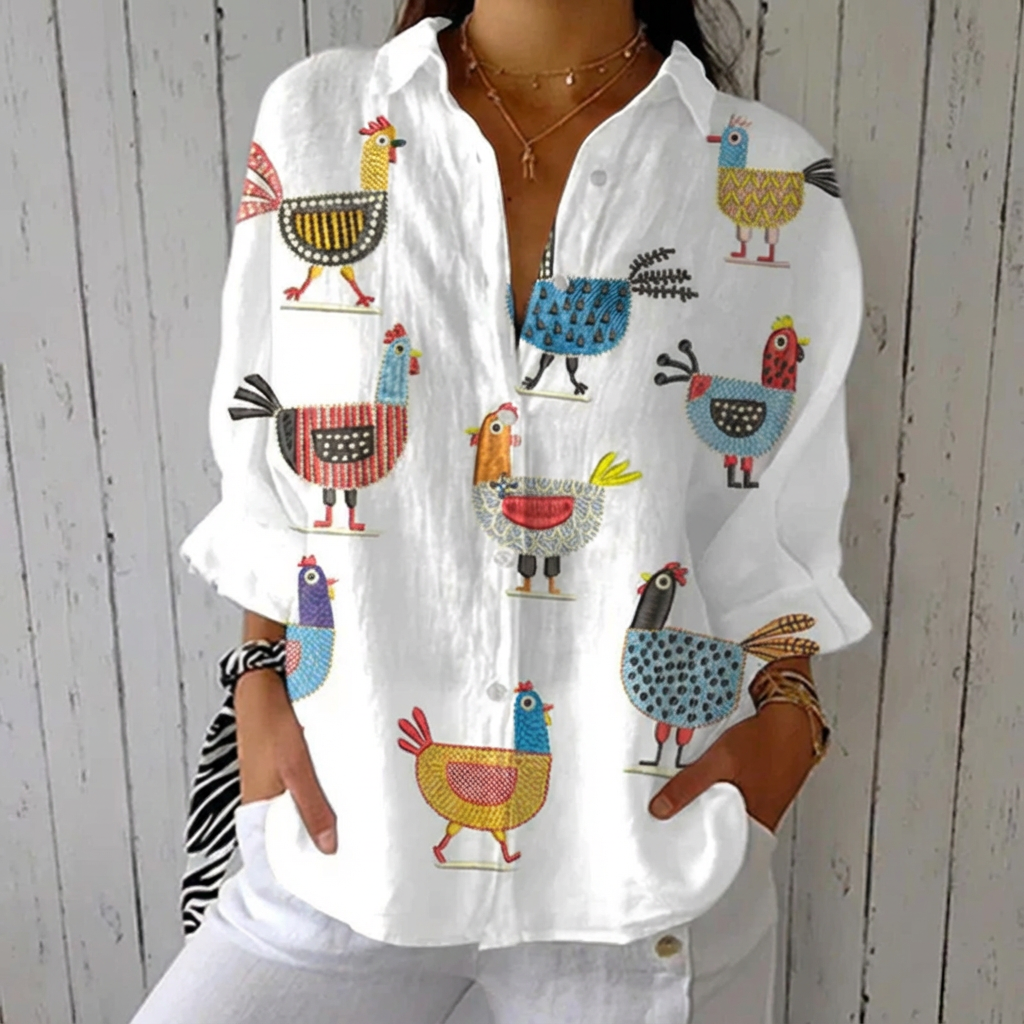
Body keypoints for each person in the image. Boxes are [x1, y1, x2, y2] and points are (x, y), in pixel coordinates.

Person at [131, 0, 870, 1020]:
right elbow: (273, 471)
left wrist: (789, 727)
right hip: (347, 832)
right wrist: (259, 676)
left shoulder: (775, 176)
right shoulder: (320, 121)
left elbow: (774, 522)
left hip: (642, 873)